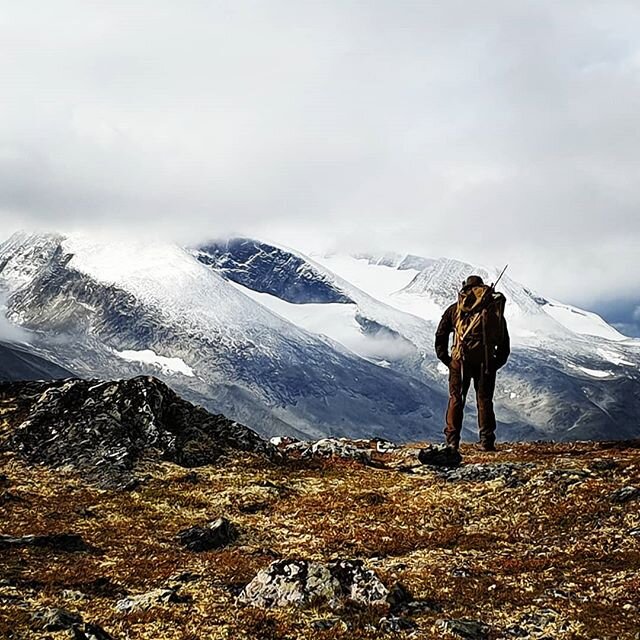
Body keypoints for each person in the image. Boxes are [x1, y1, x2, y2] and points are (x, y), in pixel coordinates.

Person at [434, 275, 510, 451]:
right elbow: (504, 343)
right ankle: (487, 441)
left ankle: (452, 442)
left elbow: (441, 334)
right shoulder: (493, 310)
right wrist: (494, 363)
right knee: (484, 400)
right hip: (485, 361)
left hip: (459, 361)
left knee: (456, 399)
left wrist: (446, 359)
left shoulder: (455, 309)